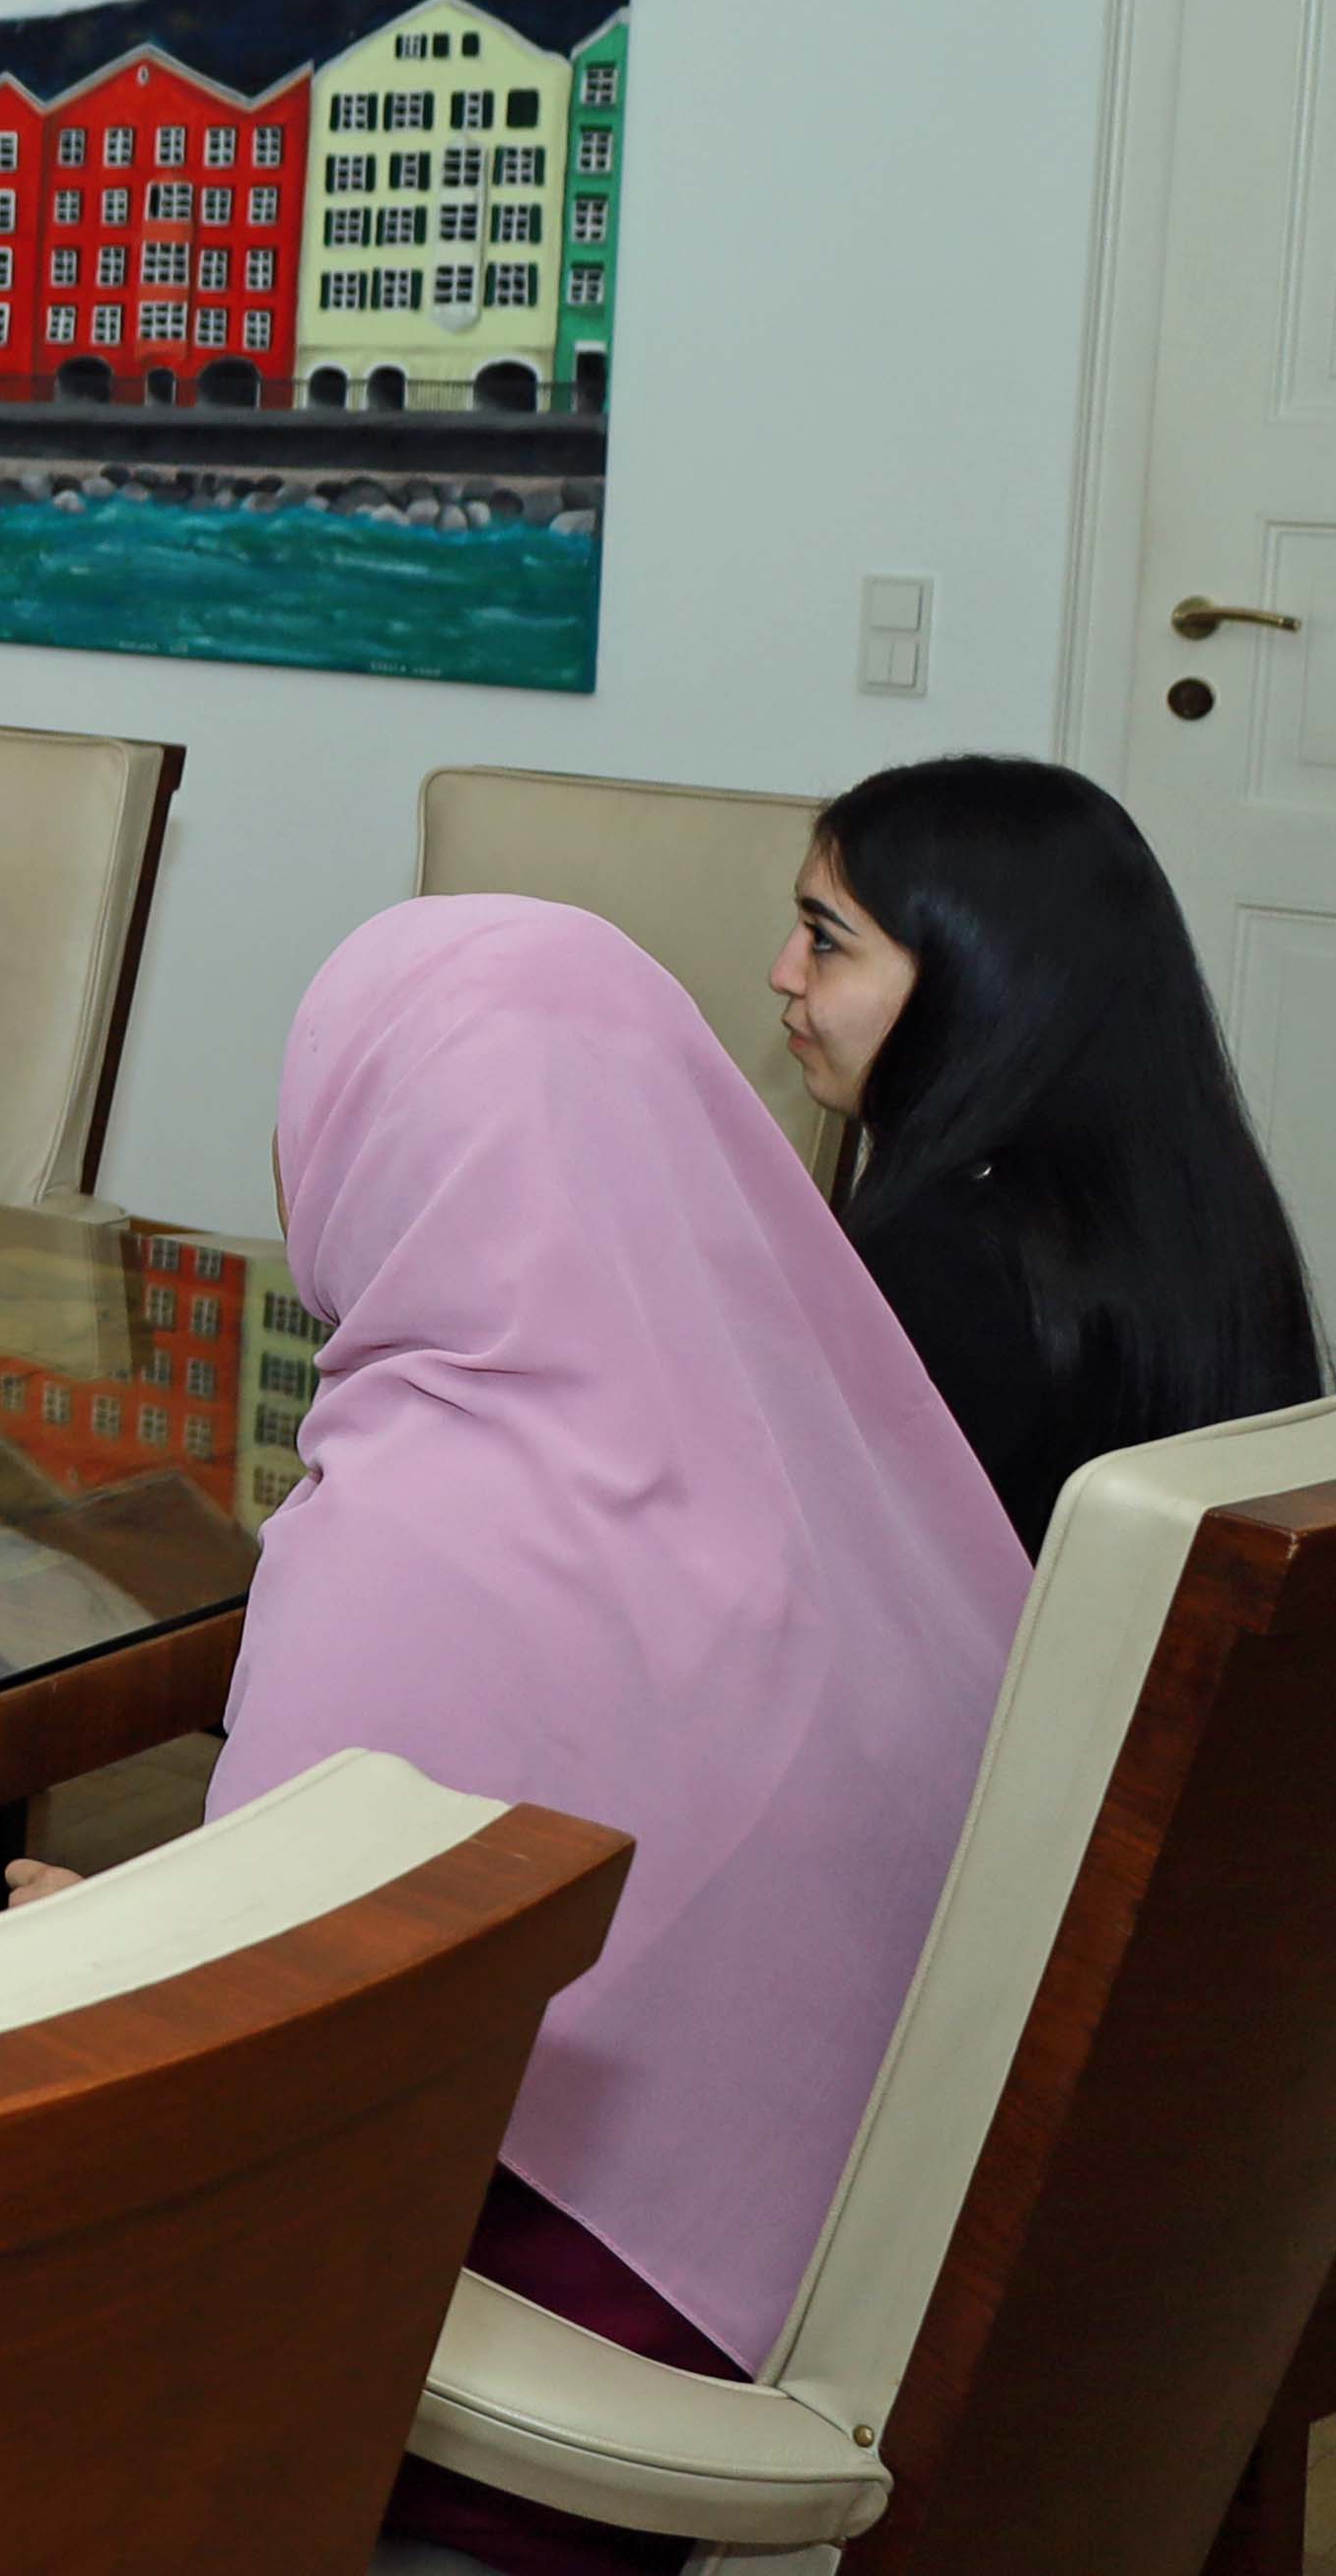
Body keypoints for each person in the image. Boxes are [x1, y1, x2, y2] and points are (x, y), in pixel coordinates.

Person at [215, 895, 1028, 2576]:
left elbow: (254, 2081)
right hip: (875, 2300)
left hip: (546, 2428)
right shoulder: (846, 1468)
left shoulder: (407, 1532)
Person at [775, 755, 1326, 1544]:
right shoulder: (1196, 1194)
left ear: (972, 979)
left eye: (824, 939)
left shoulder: (942, 1252)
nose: (782, 972)